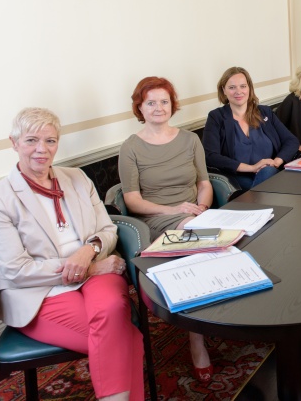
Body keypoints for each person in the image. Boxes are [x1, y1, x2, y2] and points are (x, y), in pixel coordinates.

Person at [0, 108, 144, 401]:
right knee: (124, 336)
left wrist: (88, 250)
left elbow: (107, 230)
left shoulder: (77, 178)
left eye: (50, 141)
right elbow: (17, 270)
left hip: (97, 270)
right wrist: (90, 268)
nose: (42, 150)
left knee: (110, 316)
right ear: (14, 142)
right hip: (41, 291)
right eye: (31, 140)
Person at [117, 76, 215, 382]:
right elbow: (132, 201)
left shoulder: (190, 140)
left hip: (193, 213)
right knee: (199, 242)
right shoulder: (131, 147)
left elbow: (204, 183)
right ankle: (197, 338)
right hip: (156, 218)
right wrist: (175, 210)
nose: (158, 108)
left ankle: (216, 315)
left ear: (172, 105)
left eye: (164, 101)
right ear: (140, 108)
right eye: (151, 102)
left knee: (223, 237)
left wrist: (203, 208)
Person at [203, 66, 300, 190]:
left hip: (269, 173)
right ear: (224, 90)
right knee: (264, 184)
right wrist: (252, 168)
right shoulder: (216, 117)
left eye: (243, 86)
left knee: (267, 173)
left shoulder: (264, 112)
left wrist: (275, 162)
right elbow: (210, 156)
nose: (238, 92)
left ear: (249, 88)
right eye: (232, 87)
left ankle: (251, 205)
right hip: (238, 178)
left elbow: (291, 141)